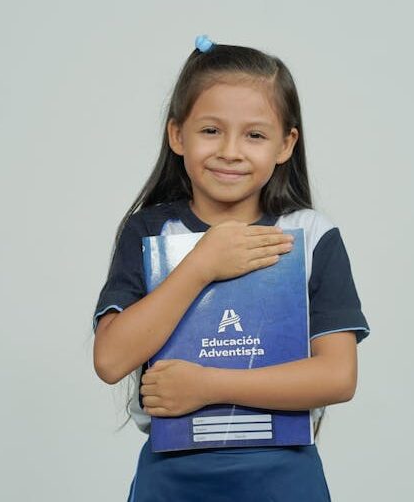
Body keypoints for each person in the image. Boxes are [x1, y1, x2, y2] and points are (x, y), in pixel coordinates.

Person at [92, 34, 370, 502]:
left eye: (255, 135)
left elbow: (338, 377)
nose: (231, 151)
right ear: (178, 135)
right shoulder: (150, 232)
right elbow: (111, 359)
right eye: (211, 130)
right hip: (173, 477)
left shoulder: (310, 234)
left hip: (284, 476)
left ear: (286, 144)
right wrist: (202, 264)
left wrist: (209, 386)